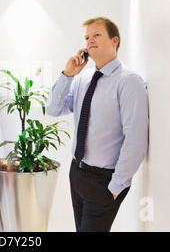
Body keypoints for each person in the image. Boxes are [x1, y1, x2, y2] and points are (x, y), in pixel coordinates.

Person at [46, 17, 149, 232]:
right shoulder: (83, 78)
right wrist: (68, 75)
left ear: (114, 41)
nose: (89, 40)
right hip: (77, 173)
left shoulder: (129, 81)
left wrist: (116, 186)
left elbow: (136, 138)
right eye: (86, 37)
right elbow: (54, 109)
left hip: (104, 181)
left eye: (96, 35)